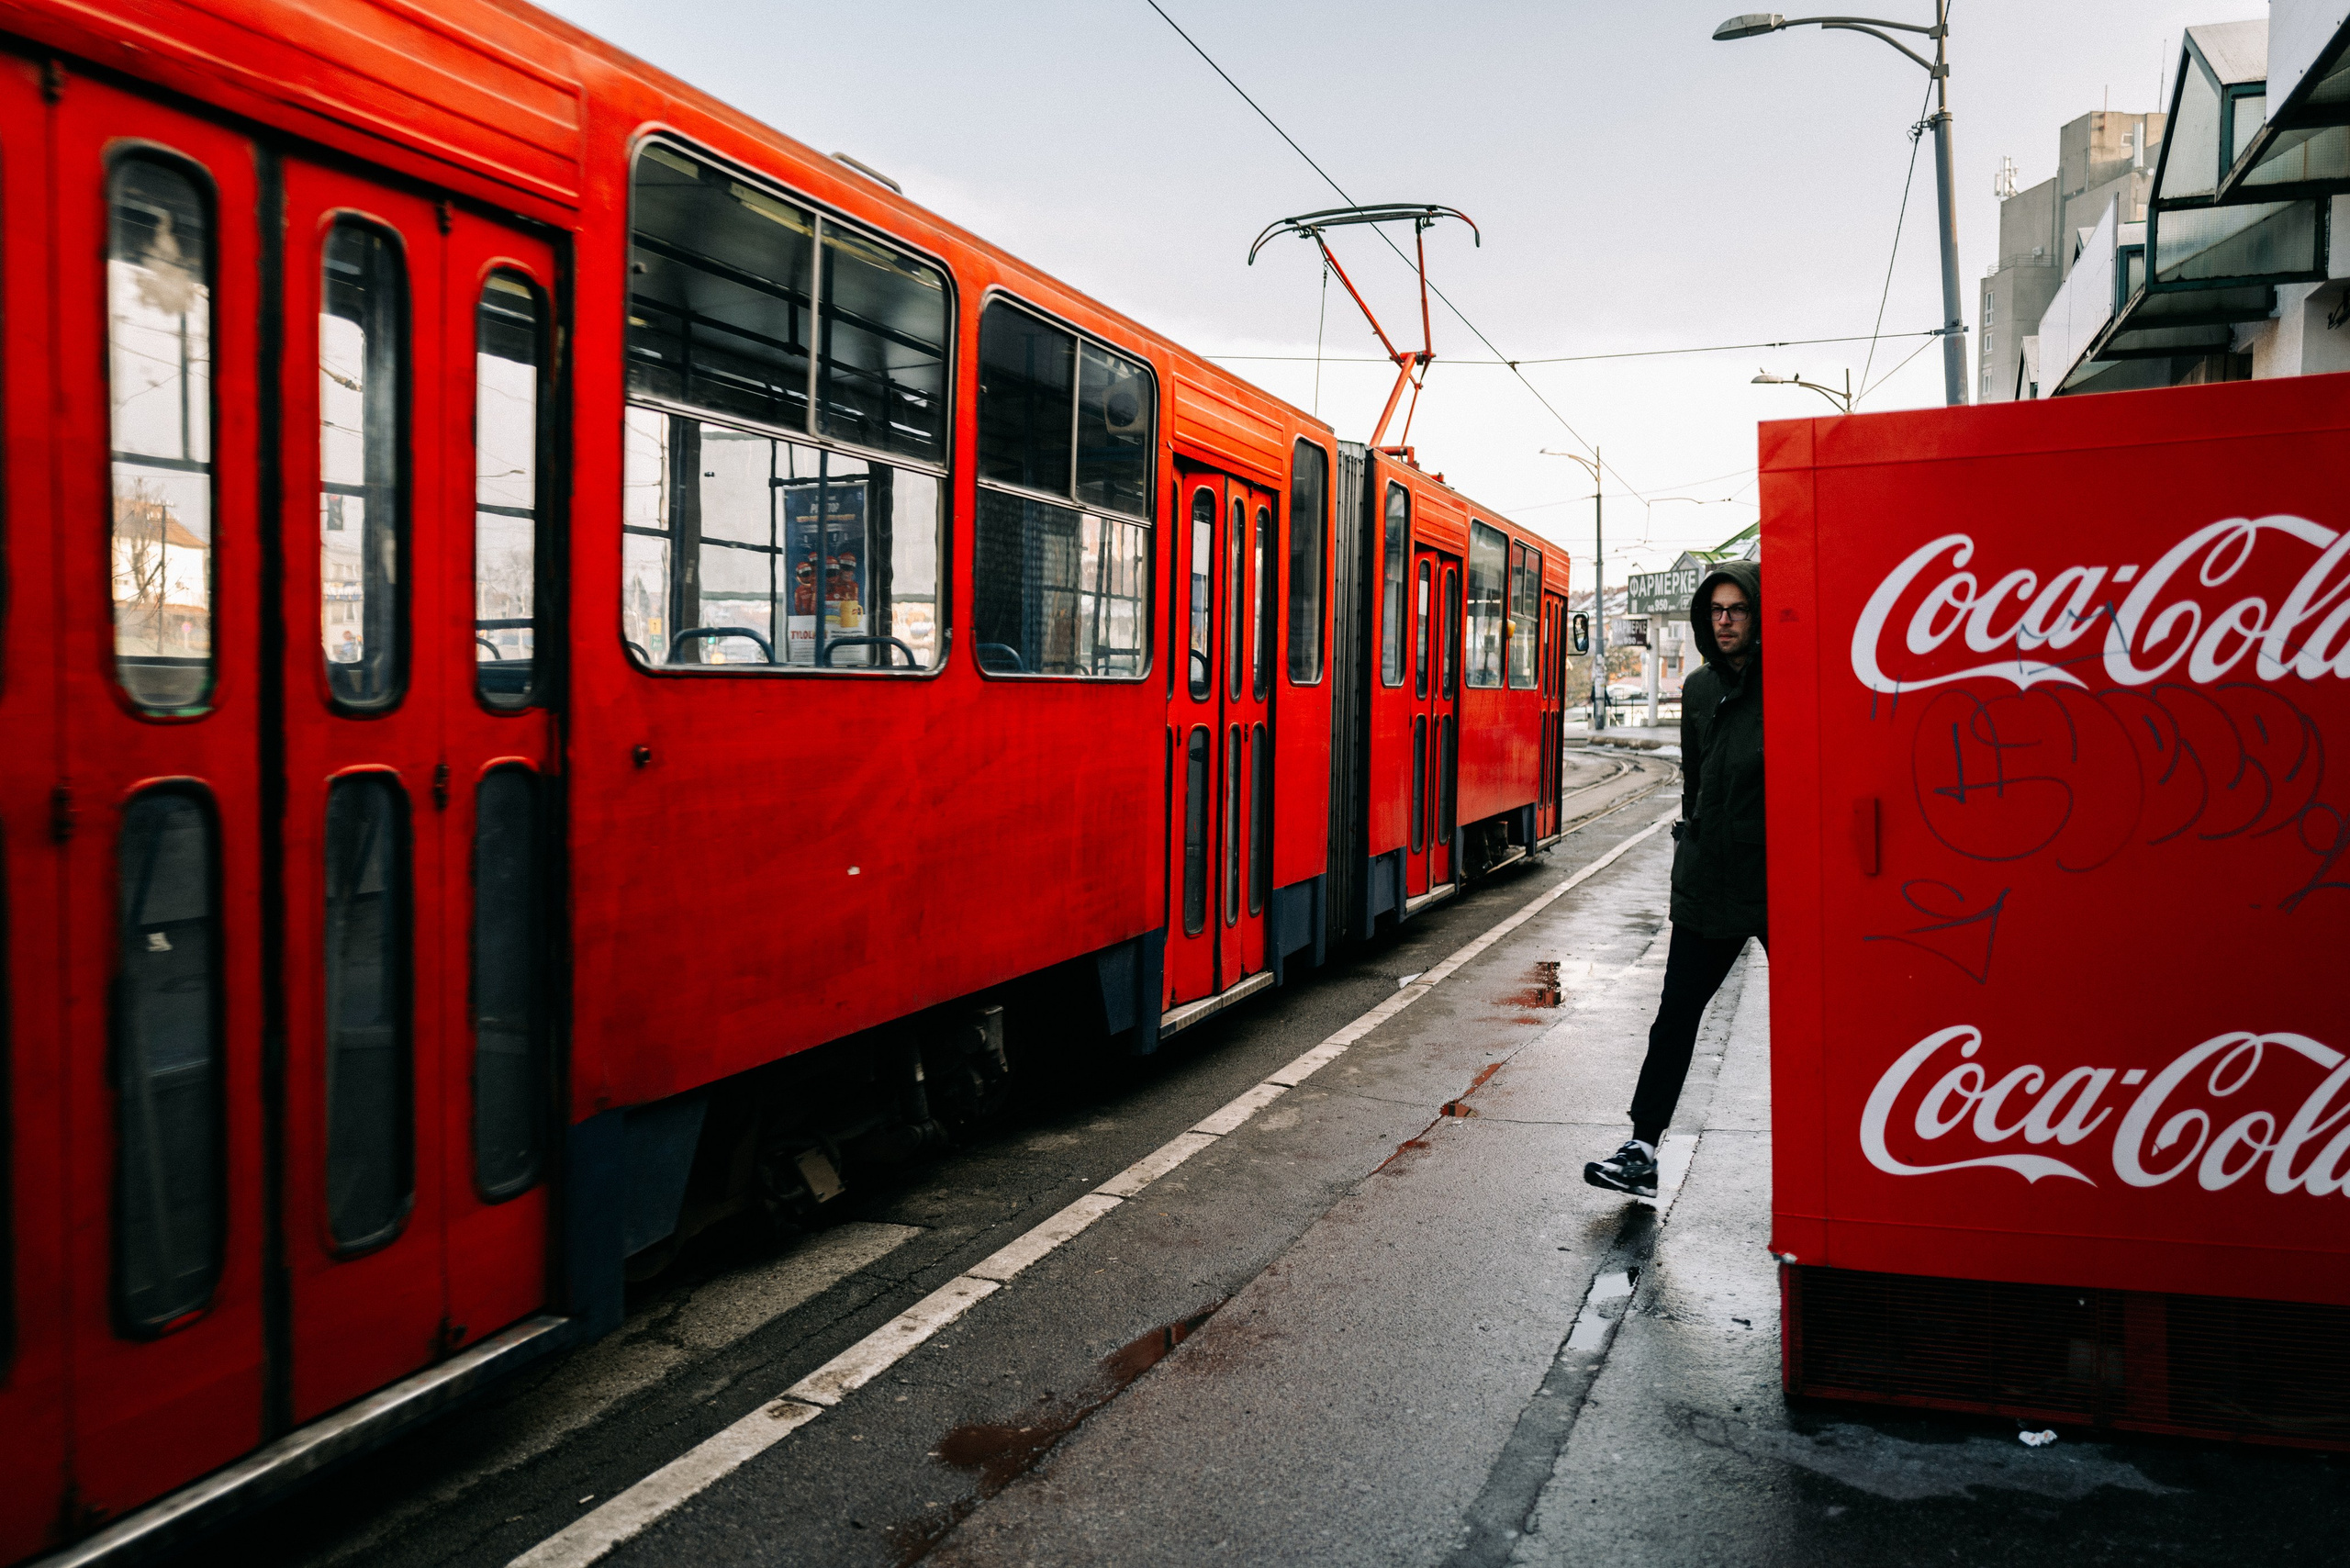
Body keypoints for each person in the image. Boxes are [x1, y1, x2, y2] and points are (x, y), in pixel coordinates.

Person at [1584, 558, 1764, 1199]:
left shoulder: (1789, 682)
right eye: (1715, 611)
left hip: (1777, 881)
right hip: (1708, 879)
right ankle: (1641, 1148)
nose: (1724, 621)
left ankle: (1828, 1160)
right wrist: (1690, 842)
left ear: (1757, 613)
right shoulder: (1695, 689)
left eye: (1737, 610)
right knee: (1675, 1016)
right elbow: (1694, 782)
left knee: (1812, 1024)